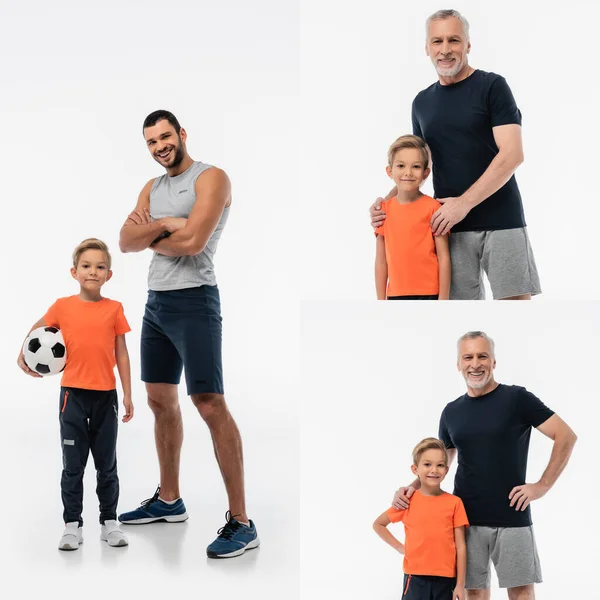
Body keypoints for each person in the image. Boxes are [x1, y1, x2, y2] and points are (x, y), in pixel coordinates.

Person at [118, 109, 259, 558]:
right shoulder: (152, 188)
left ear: (181, 134)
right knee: (159, 400)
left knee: (209, 403)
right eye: (151, 142)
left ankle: (242, 521)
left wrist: (153, 232)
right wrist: (165, 224)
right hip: (156, 303)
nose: (160, 146)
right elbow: (124, 240)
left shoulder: (211, 178)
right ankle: (169, 499)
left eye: (165, 137)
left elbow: (195, 242)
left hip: (195, 300)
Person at [392, 332, 577, 599]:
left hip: (513, 515)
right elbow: (440, 462)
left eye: (482, 356)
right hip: (465, 518)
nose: (475, 364)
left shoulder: (517, 398)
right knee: (473, 593)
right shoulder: (451, 411)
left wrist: (541, 486)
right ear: (458, 364)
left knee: (522, 592)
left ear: (493, 361)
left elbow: (566, 435)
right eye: (468, 357)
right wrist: (411, 488)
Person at [370, 9, 541, 300]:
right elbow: (418, 167)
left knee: (516, 313)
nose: (445, 49)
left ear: (468, 44)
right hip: (447, 228)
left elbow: (513, 154)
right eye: (437, 41)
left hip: (502, 220)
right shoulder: (422, 102)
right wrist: (386, 204)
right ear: (427, 47)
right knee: (457, 314)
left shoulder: (492, 86)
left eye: (454, 40)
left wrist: (463, 204)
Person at [17, 238, 133, 550]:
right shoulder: (62, 307)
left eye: (100, 267)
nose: (92, 271)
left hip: (105, 397)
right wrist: (22, 353)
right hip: (72, 396)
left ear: (108, 274)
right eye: (86, 266)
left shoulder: (114, 309)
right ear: (74, 271)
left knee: (106, 465)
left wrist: (127, 394)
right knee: (73, 465)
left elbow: (122, 354)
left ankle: (110, 521)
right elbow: (36, 332)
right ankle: (72, 524)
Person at [374, 438, 468, 600]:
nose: (434, 470)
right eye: (427, 464)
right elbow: (378, 524)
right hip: (415, 577)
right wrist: (400, 548)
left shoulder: (455, 503)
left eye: (439, 465)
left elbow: (461, 546)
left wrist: (460, 584)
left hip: (446, 580)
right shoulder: (407, 501)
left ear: (446, 470)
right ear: (415, 469)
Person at [375, 134, 450, 300]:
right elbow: (381, 261)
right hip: (395, 295)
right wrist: (380, 301)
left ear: (425, 173)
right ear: (390, 171)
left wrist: (444, 300)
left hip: (429, 294)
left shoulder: (434, 209)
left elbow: (443, 257)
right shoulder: (384, 211)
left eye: (415, 166)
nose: (408, 173)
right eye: (401, 165)